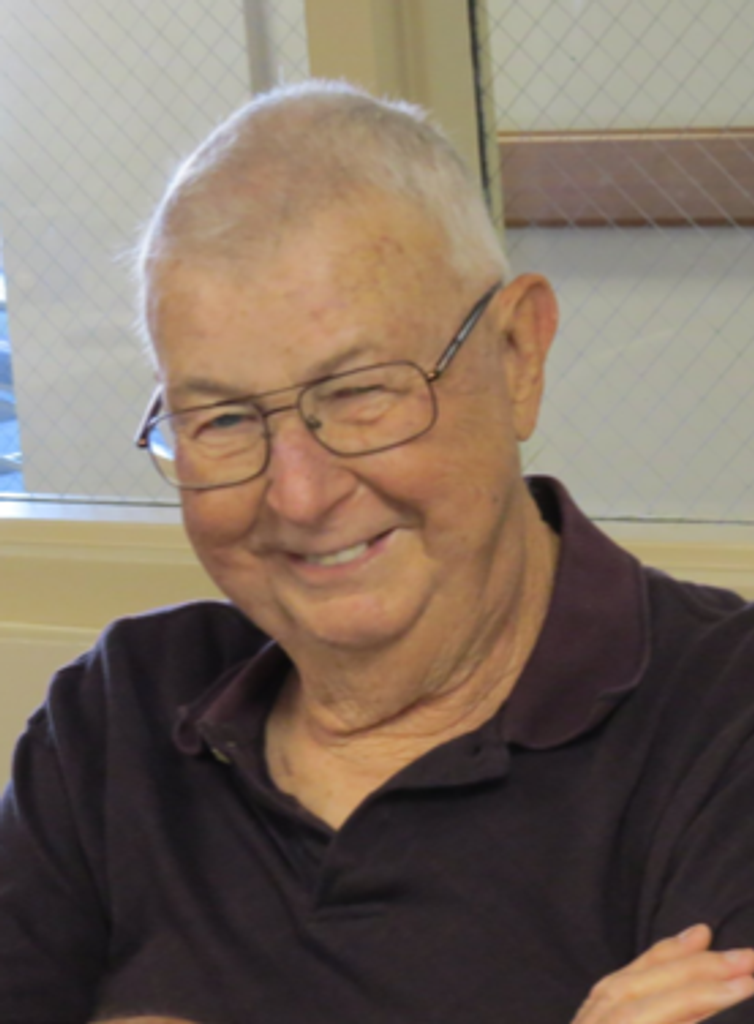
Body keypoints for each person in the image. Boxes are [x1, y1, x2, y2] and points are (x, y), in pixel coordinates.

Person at [1, 81, 753, 1024]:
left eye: (360, 393)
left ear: (518, 356)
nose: (300, 495)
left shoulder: (726, 720)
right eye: (223, 419)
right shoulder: (116, 718)